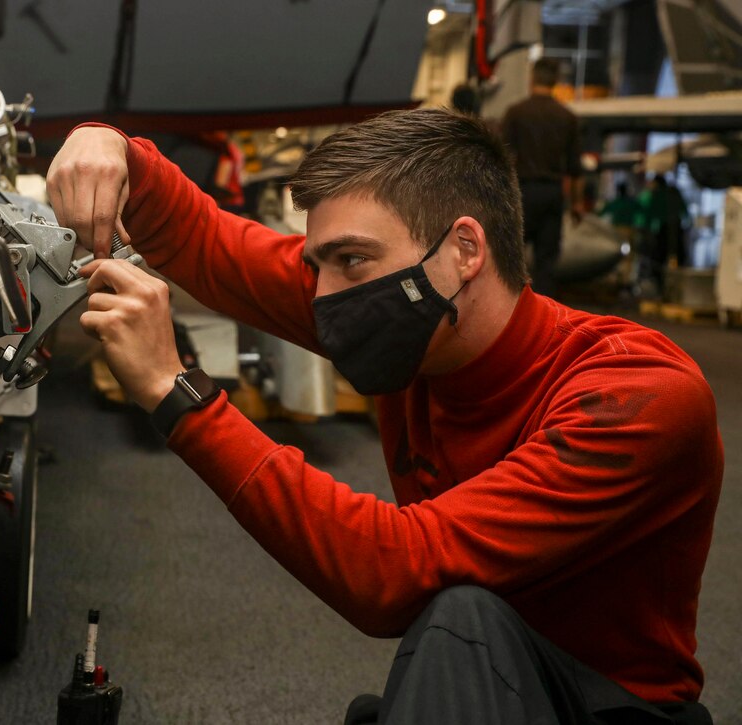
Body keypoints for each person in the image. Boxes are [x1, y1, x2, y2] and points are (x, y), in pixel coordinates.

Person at [46, 109, 722, 724]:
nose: (322, 296)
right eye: (317, 264)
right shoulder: (411, 313)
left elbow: (398, 573)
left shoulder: (636, 394)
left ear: (465, 251)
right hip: (478, 675)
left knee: (460, 615)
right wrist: (109, 147)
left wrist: (177, 392)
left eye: (349, 260)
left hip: (616, 707)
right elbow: (211, 242)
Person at [501, 58, 584, 299]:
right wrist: (577, 204)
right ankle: (544, 319)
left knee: (512, 256)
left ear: (532, 78)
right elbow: (575, 168)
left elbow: (502, 158)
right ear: (556, 81)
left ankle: (511, 310)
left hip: (521, 192)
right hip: (552, 194)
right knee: (546, 261)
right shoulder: (567, 117)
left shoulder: (516, 113)